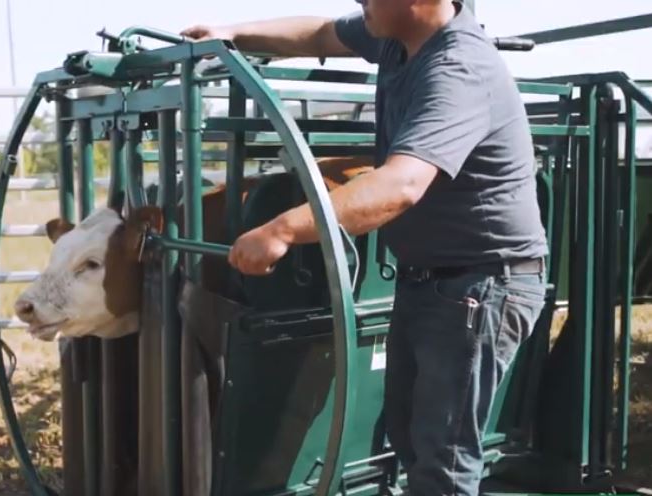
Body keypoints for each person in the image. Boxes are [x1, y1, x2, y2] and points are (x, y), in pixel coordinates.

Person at [182, 1, 548, 495]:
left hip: (483, 285)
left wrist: (283, 229)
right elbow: (321, 34)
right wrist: (232, 32)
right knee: (410, 436)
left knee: (444, 456)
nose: (359, 1)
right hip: (432, 279)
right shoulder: (396, 37)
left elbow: (401, 184)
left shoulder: (458, 67)